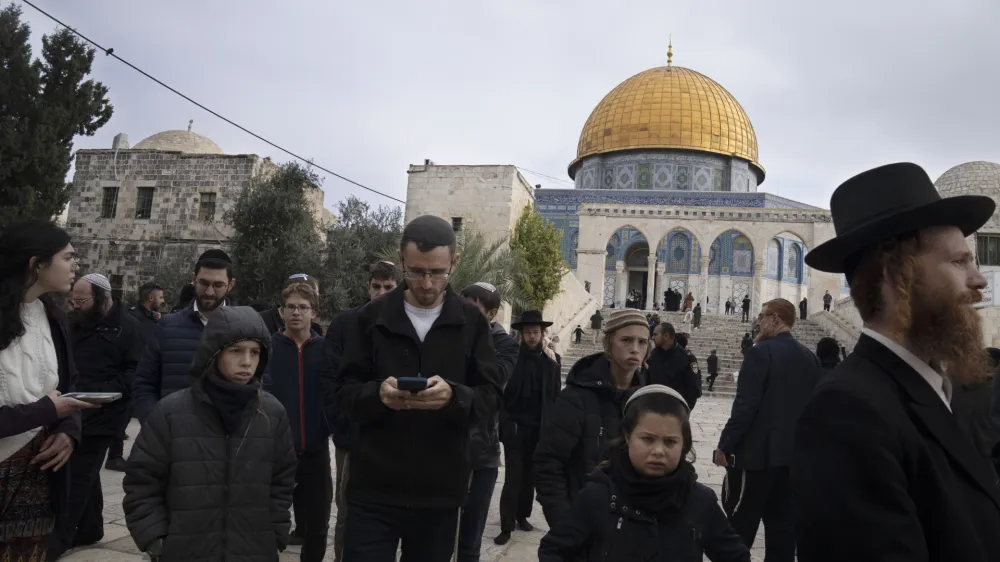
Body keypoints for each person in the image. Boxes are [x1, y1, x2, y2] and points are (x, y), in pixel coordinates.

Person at [792, 162, 1000, 561]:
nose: (979, 280)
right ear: (896, 277)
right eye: (959, 263)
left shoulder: (939, 391)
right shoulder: (847, 413)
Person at [333, 215, 503, 562]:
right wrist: (378, 396)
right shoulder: (370, 318)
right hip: (373, 492)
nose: (427, 284)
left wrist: (455, 397)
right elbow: (343, 394)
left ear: (454, 263)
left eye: (437, 273)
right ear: (401, 261)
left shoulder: (472, 324)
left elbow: (491, 397)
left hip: (439, 495)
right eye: (416, 271)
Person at [123, 306, 296, 562]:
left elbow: (282, 481)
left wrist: (276, 532)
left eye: (255, 352)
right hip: (184, 551)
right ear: (213, 352)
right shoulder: (172, 413)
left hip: (253, 550)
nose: (247, 361)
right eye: (236, 350)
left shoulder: (272, 413)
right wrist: (155, 540)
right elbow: (142, 481)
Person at [538, 385, 750, 562]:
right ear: (627, 437)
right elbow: (554, 551)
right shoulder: (598, 495)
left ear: (684, 445)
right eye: (648, 439)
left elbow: (736, 557)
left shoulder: (700, 501)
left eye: (670, 441)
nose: (659, 451)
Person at [0, 220, 96, 560]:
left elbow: (69, 385)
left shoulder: (51, 315)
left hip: (40, 484)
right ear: (35, 264)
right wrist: (45, 411)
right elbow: (50, 404)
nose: (76, 265)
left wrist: (69, 431)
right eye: (67, 257)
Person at [714, 298, 820, 561]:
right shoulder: (810, 358)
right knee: (783, 532)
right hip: (791, 461)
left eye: (762, 316)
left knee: (739, 529)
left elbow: (745, 407)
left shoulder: (760, 352)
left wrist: (725, 445)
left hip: (755, 459)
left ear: (776, 319)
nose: (758, 321)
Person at [48, 273, 143, 560]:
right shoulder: (76, 322)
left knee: (77, 477)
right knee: (86, 474)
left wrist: (101, 392)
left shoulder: (129, 328)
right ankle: (90, 528)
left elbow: (134, 372)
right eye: (73, 300)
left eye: (82, 300)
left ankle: (59, 540)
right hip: (73, 409)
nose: (76, 306)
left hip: (104, 415)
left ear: (101, 298)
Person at [534, 309, 648, 528]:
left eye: (642, 342)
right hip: (584, 522)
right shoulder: (576, 397)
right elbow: (548, 463)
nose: (635, 349)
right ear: (608, 343)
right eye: (626, 340)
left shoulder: (648, 400)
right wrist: (565, 523)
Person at [320, 260, 399, 562]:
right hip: (353, 438)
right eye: (376, 286)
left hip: (396, 441)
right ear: (368, 288)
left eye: (388, 287)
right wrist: (344, 429)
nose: (381, 293)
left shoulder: (407, 326)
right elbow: (330, 380)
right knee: (348, 512)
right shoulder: (345, 323)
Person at [266, 283, 331, 562]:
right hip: (277, 452)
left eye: (303, 307)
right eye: (290, 306)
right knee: (269, 521)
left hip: (316, 452)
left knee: (318, 525)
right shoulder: (267, 348)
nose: (296, 312)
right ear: (281, 312)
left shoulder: (327, 350)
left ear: (313, 313)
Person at [132, 249, 236, 423]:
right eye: (203, 283)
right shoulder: (167, 327)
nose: (209, 292)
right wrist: (154, 424)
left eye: (218, 285)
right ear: (193, 279)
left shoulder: (243, 329)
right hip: (172, 438)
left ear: (230, 285)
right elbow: (144, 383)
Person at [456, 282, 518, 562]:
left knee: (472, 529)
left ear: (491, 314)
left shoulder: (505, 345)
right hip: (444, 446)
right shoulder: (448, 335)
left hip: (483, 449)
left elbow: (491, 385)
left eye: (473, 307)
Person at [496, 310, 561, 546]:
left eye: (535, 332)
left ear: (542, 333)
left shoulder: (552, 363)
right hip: (515, 429)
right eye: (528, 332)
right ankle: (506, 525)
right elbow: (502, 396)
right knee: (513, 477)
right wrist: (506, 424)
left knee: (530, 477)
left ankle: (522, 516)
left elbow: (554, 398)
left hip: (539, 430)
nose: (532, 337)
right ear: (521, 334)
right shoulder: (512, 360)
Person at [648, 322, 700, 410]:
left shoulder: (687, 358)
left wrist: (683, 411)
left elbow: (693, 389)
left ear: (666, 336)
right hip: (653, 408)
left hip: (675, 409)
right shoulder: (651, 356)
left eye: (655, 334)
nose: (652, 338)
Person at [260, 274, 325, 337]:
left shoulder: (316, 330)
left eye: (303, 307)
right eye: (314, 295)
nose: (296, 312)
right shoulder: (261, 322)